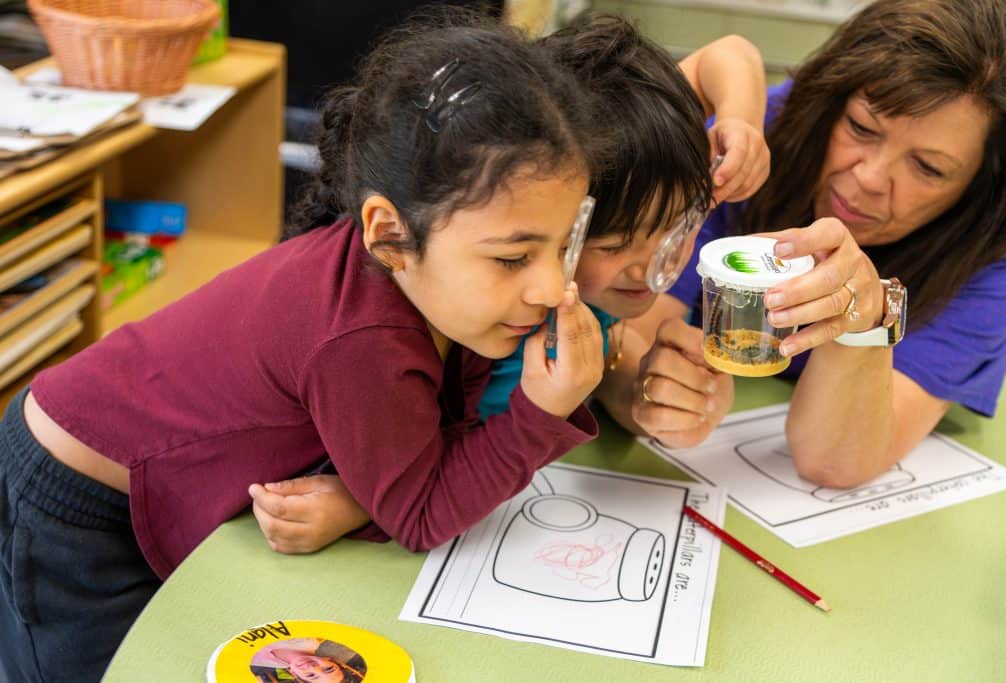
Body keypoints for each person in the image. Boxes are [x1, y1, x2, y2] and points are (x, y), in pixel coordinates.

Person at [0, 10, 609, 682]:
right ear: (389, 231)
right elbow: (422, 512)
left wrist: (356, 501)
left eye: (563, 245)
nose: (553, 286)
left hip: (137, 476)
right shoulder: (363, 335)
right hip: (75, 504)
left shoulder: (429, 286)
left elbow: (427, 453)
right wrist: (538, 412)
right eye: (514, 257)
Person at [248, 14, 771, 554]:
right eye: (614, 246)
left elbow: (728, 52)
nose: (651, 269)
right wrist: (365, 505)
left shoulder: (627, 154)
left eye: (678, 228)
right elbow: (431, 468)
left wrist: (741, 125)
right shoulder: (480, 313)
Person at [635, 0, 1006, 488]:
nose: (868, 178)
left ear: (982, 189)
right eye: (861, 128)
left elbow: (833, 462)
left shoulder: (996, 259)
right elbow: (637, 328)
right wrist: (655, 389)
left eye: (927, 168)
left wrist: (863, 319)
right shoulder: (769, 131)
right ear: (829, 102)